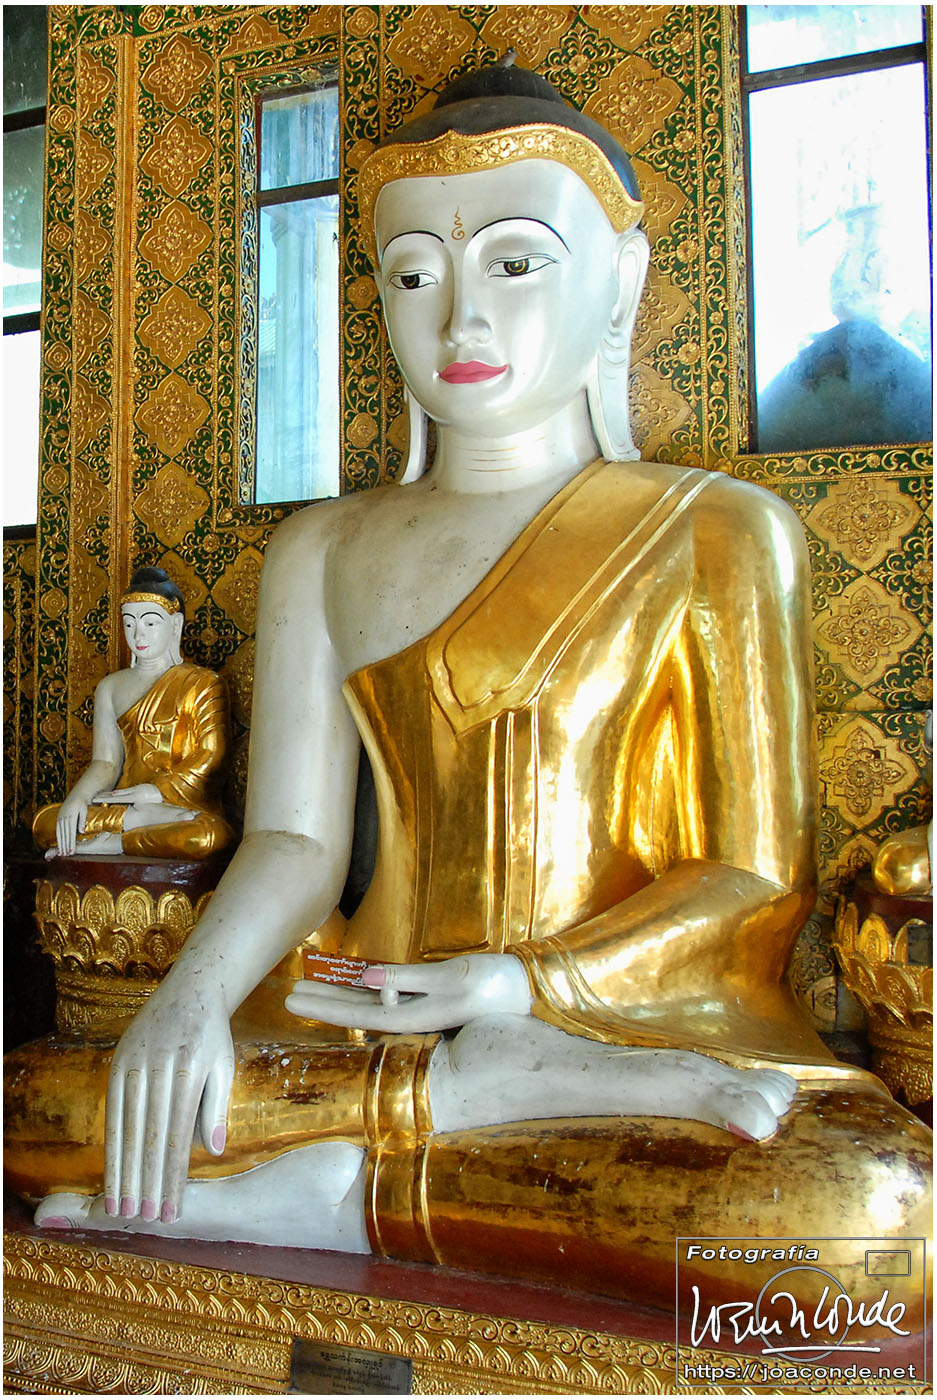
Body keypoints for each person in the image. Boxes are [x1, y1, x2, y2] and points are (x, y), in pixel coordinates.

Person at [7, 64, 929, 1311]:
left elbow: (754, 880)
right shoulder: (323, 547)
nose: (460, 323)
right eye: (412, 277)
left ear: (622, 279)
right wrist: (191, 998)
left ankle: (344, 1187)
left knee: (860, 1216)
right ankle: (438, 1119)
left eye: (514, 262)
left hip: (627, 1026)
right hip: (353, 1010)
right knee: (48, 1108)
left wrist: (520, 981)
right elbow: (294, 841)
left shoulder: (715, 530)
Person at [32, 567, 233, 860]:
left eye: (150, 623)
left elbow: (211, 756)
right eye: (129, 624)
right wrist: (79, 797)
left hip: (179, 806)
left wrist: (156, 792)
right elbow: (106, 762)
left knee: (207, 836)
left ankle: (117, 842)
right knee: (47, 822)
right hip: (125, 805)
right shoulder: (110, 687)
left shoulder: (202, 683)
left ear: (175, 625)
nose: (138, 634)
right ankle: (136, 823)